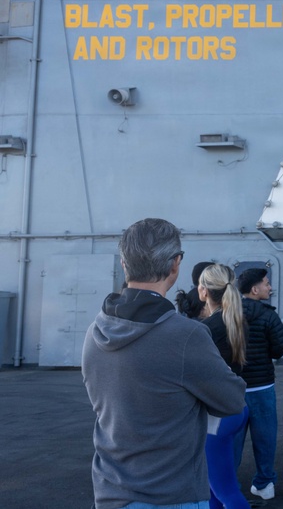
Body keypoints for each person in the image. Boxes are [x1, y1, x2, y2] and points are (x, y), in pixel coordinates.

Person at [82, 218, 246, 509]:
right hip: (172, 494)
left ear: (124, 264)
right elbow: (232, 401)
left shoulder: (95, 331)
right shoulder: (186, 335)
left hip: (110, 492)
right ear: (175, 265)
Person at [198, 264, 251, 509]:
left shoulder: (207, 329)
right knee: (214, 488)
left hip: (215, 416)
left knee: (225, 490)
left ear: (204, 291)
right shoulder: (237, 322)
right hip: (234, 408)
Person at [233, 267, 283, 502]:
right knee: (265, 439)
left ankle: (229, 484)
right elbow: (280, 348)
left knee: (232, 440)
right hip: (262, 387)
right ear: (255, 290)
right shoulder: (268, 315)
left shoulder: (227, 313)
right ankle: (264, 484)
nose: (269, 287)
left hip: (233, 388)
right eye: (266, 283)